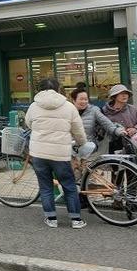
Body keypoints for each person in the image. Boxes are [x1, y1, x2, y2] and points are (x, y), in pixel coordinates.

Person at [25, 78, 88, 229]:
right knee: (69, 185)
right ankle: (76, 220)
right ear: (58, 89)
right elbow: (78, 130)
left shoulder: (34, 106)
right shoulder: (69, 107)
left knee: (45, 186)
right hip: (60, 154)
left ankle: (51, 219)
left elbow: (28, 123)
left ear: (40, 90)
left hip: (39, 153)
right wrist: (81, 143)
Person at [102, 84, 137, 155]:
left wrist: (135, 129)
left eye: (126, 93)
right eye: (121, 93)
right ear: (114, 96)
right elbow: (103, 128)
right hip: (113, 145)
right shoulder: (105, 111)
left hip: (132, 144)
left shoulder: (133, 109)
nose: (124, 96)